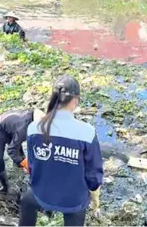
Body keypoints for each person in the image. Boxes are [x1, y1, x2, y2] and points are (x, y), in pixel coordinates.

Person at [19, 75, 103, 226]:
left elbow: (32, 165)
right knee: (77, 211)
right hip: (73, 201)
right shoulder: (87, 132)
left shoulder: (34, 128)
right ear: (76, 100)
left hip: (41, 194)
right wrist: (95, 198)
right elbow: (93, 176)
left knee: (27, 200)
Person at [0, 109, 45, 194]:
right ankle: (5, 187)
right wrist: (25, 163)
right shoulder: (24, 129)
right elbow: (11, 149)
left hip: (13, 127)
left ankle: (20, 178)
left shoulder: (36, 118)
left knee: (19, 156)